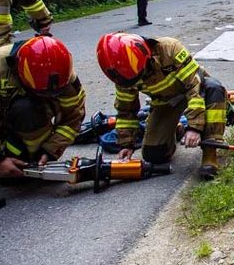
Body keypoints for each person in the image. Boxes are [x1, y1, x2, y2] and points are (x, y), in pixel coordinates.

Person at [96, 32, 226, 179]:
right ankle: (177, 130)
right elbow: (126, 111)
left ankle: (210, 153)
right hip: (166, 102)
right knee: (154, 155)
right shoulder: (123, 75)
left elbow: (195, 88)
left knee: (214, 88)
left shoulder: (170, 49)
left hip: (196, 91)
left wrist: (194, 127)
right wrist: (127, 144)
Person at [0, 35, 86, 178]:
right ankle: (8, 155)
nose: (49, 95)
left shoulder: (66, 78)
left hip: (34, 115)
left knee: (29, 110)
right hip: (0, 120)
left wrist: (50, 150)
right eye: (42, 92)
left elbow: (73, 119)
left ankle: (33, 159)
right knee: (25, 107)